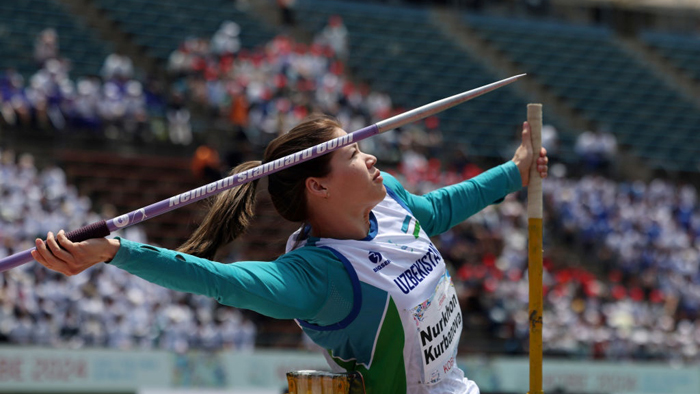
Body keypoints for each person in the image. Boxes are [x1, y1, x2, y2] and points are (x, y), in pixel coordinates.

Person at [32, 115, 548, 394]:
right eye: (353, 153)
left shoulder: (388, 195)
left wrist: (514, 171)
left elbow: (439, 206)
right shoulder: (319, 277)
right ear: (318, 188)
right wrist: (116, 252)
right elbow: (221, 280)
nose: (371, 156)